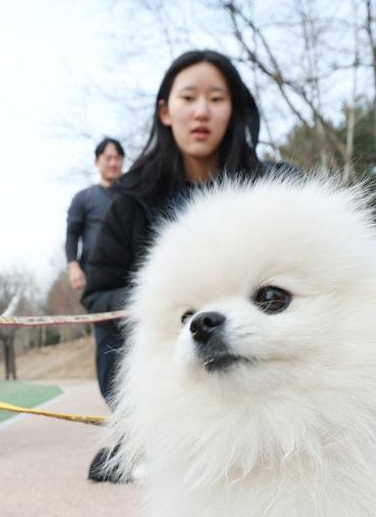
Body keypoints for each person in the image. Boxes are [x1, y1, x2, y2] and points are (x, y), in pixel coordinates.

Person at [80, 49, 266, 481]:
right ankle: (142, 440)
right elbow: (96, 293)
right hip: (175, 362)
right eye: (189, 98)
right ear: (165, 111)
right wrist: (159, 305)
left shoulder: (276, 188)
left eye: (217, 99)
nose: (202, 111)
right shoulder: (128, 202)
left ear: (234, 109)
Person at [65, 137, 126, 292]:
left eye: (118, 158)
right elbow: (72, 234)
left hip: (128, 274)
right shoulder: (83, 198)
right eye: (108, 158)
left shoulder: (134, 196)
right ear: (97, 161)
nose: (113, 163)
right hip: (93, 274)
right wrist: (73, 266)